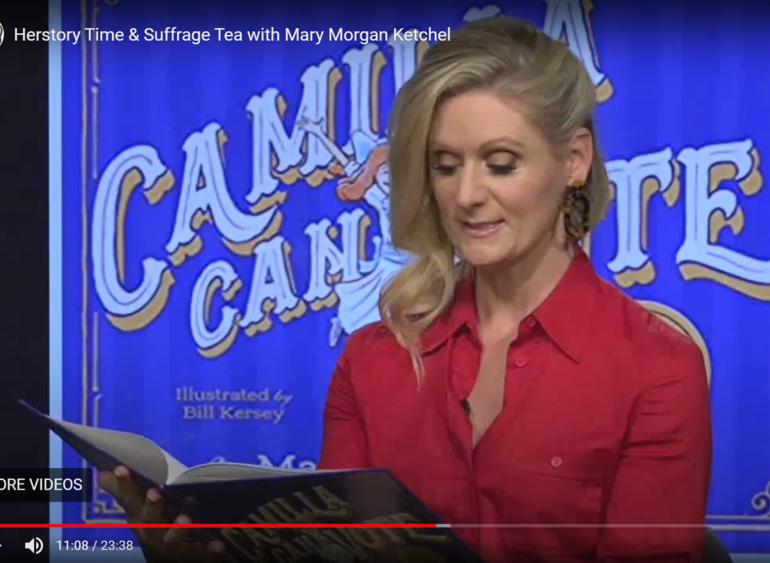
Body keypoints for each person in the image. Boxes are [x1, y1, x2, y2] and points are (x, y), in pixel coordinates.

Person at [99, 16, 712, 563]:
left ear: (574, 160)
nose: (466, 195)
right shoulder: (373, 360)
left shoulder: (658, 369)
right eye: (445, 166)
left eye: (500, 163)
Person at [294, 119, 412, 347]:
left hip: (415, 262)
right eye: (383, 171)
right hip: (391, 262)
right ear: (374, 175)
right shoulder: (380, 199)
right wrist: (317, 133)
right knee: (366, 301)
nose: (388, 176)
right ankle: (344, 324)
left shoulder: (416, 200)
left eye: (394, 172)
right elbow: (347, 165)